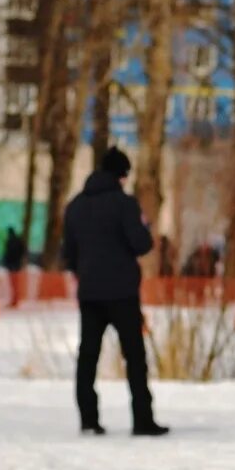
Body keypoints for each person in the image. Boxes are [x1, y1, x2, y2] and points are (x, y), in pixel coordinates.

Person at [61, 145, 165, 436]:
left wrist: (84, 272)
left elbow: (68, 253)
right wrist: (144, 228)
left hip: (90, 293)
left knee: (88, 356)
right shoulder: (125, 204)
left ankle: (88, 419)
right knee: (134, 356)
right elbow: (141, 244)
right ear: (122, 175)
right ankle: (142, 420)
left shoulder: (76, 205)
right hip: (122, 292)